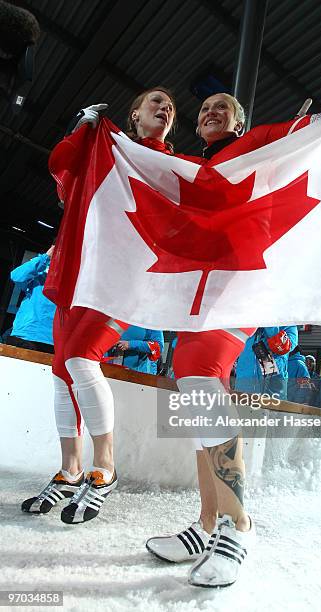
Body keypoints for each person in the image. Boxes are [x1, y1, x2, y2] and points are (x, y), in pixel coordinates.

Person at [146, 93, 310, 588]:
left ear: (241, 120)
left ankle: (239, 526)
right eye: (204, 109)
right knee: (195, 391)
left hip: (244, 280)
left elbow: (298, 145)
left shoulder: (256, 144)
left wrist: (308, 129)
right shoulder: (195, 167)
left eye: (224, 107)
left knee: (198, 372)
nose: (212, 112)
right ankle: (207, 523)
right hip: (198, 286)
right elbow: (152, 168)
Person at [21, 88, 176, 524]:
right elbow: (64, 172)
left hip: (125, 281)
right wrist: (83, 129)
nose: (164, 109)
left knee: (81, 359)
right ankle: (70, 470)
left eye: (170, 108)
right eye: (156, 103)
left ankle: (104, 468)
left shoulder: (171, 167)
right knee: (61, 370)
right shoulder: (109, 153)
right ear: (135, 114)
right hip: (83, 275)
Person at [7, 245, 56, 353]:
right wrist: (46, 257)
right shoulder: (40, 269)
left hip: (54, 340)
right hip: (27, 334)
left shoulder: (74, 276)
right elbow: (16, 276)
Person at [235, 326, 299, 399]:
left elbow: (284, 347)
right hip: (243, 386)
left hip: (272, 389)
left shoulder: (287, 325)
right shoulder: (246, 323)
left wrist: (270, 325)